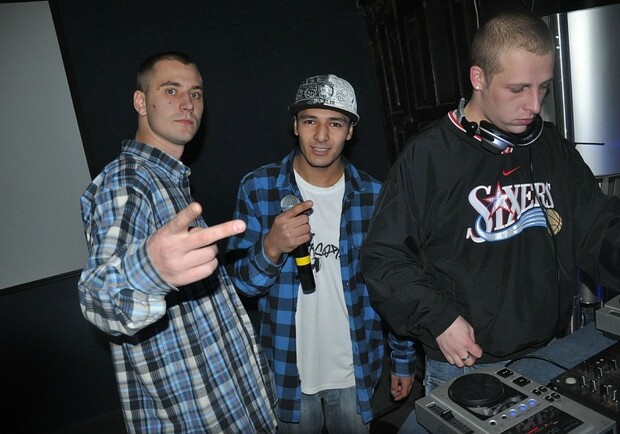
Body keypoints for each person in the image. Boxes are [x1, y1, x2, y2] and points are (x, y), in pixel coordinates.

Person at [360, 10, 620, 433]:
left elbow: (597, 228)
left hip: (552, 351)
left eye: (543, 87)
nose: (534, 105)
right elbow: (383, 257)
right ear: (478, 78)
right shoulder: (428, 158)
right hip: (467, 369)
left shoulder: (550, 147)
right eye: (518, 89)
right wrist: (439, 318)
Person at [78, 51, 277, 433]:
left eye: (196, 93)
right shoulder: (129, 182)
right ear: (141, 102)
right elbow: (98, 295)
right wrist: (151, 271)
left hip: (230, 411)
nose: (188, 104)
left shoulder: (169, 181)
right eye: (171, 90)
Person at [226, 74, 416, 433]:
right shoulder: (259, 188)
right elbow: (242, 286)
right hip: (286, 372)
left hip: (356, 369)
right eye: (311, 121)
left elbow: (395, 286)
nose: (322, 135)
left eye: (336, 123)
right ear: (295, 126)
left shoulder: (375, 196)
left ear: (351, 131)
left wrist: (403, 358)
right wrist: (271, 247)